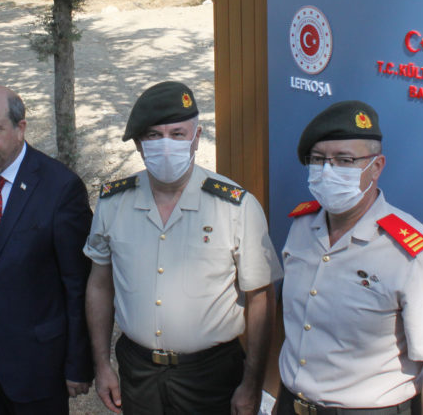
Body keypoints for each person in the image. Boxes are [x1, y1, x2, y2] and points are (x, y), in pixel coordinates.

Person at [85, 81, 283, 415]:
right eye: (153, 135)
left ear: (197, 137)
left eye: (177, 134)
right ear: (138, 143)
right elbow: (99, 285)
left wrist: (252, 384)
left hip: (211, 373)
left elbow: (260, 297)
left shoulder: (235, 206)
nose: (166, 145)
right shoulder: (113, 202)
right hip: (138, 370)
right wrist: (102, 364)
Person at [278, 100, 423, 415]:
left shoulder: (413, 252)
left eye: (344, 160)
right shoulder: (301, 227)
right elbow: (288, 330)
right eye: (318, 159)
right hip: (291, 404)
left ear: (376, 167)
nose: (328, 171)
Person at [0, 84, 93, 413]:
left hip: (36, 366)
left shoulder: (60, 188)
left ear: (20, 127)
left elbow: (77, 286)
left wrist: (77, 364)